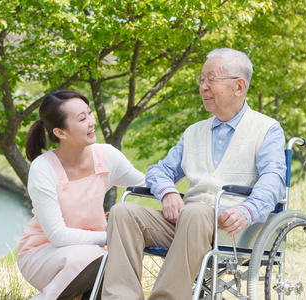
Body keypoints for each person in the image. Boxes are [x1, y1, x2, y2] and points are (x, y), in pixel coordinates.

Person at [101, 48, 287, 300]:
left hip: (232, 228)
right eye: (201, 80)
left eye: (211, 80)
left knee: (196, 211)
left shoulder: (267, 129)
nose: (203, 87)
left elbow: (273, 180)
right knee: (123, 212)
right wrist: (167, 192)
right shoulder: (193, 132)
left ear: (239, 86)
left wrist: (247, 210)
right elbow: (159, 171)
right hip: (186, 222)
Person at [17, 90, 145, 300]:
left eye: (90, 114)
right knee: (104, 259)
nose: (91, 122)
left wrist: (181, 170)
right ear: (61, 132)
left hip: (95, 251)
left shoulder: (107, 155)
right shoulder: (43, 168)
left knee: (111, 266)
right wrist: (112, 237)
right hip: (44, 252)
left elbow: (146, 184)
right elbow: (58, 236)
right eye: (82, 119)